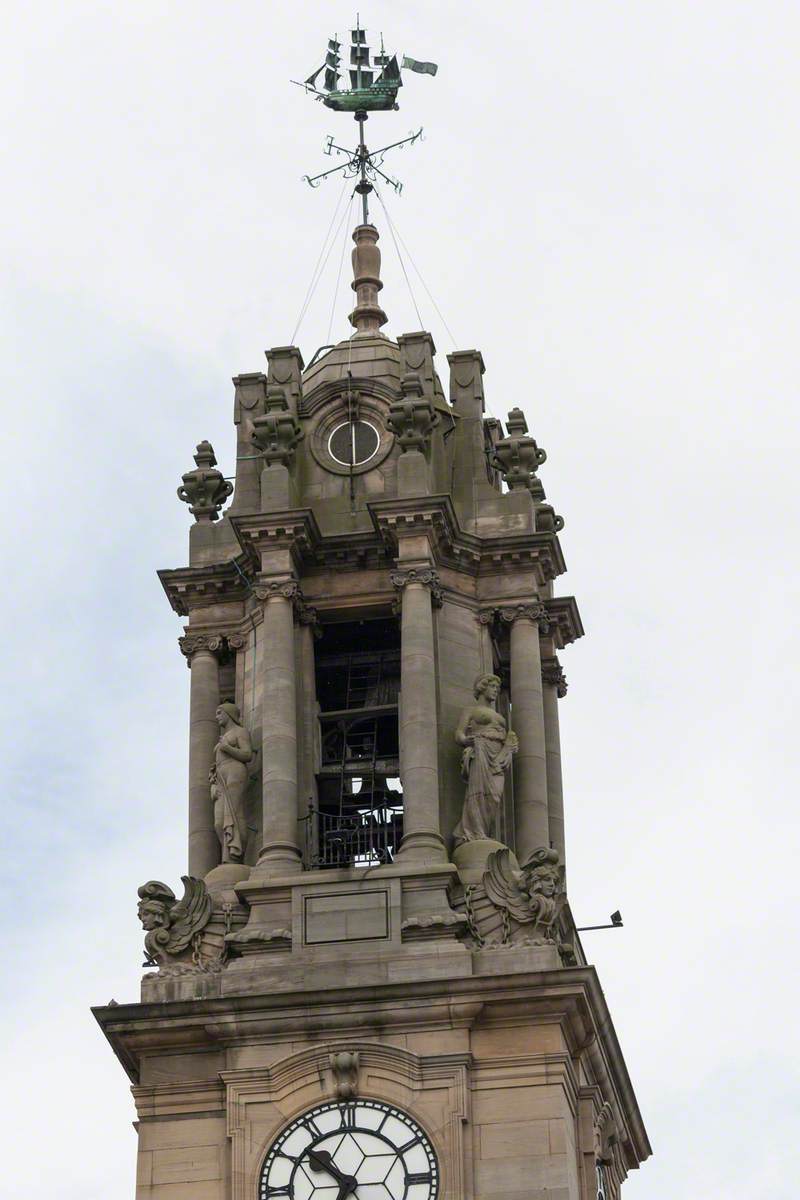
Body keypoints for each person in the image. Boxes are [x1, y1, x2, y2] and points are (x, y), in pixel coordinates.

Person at [452, 673, 518, 845]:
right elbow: (459, 733)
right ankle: (474, 832)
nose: (496, 691)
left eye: (497, 688)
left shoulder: (498, 715)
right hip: (480, 750)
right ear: (482, 687)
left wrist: (510, 745)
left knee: (494, 796)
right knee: (479, 792)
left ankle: (481, 830)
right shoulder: (470, 711)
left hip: (499, 755)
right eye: (493, 687)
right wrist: (466, 740)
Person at [210, 702, 254, 863]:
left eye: (219, 713)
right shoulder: (223, 738)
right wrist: (213, 785)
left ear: (229, 714)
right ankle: (228, 854)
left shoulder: (240, 732)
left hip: (235, 771)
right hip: (221, 776)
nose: (217, 717)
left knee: (234, 815)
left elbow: (247, 754)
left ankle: (235, 858)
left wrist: (227, 748)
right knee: (218, 822)